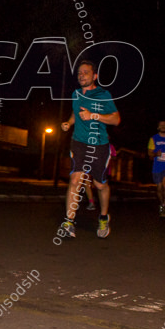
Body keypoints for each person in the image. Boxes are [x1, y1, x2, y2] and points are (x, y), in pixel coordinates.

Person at [58, 60, 121, 238]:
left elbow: (116, 119)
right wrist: (69, 123)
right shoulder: (76, 94)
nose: (81, 75)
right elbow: (75, 112)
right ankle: (69, 222)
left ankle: (103, 217)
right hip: (79, 142)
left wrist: (94, 115)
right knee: (75, 179)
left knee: (100, 184)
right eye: (79, 73)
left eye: (85, 72)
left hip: (99, 144)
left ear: (95, 76)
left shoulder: (104, 94)